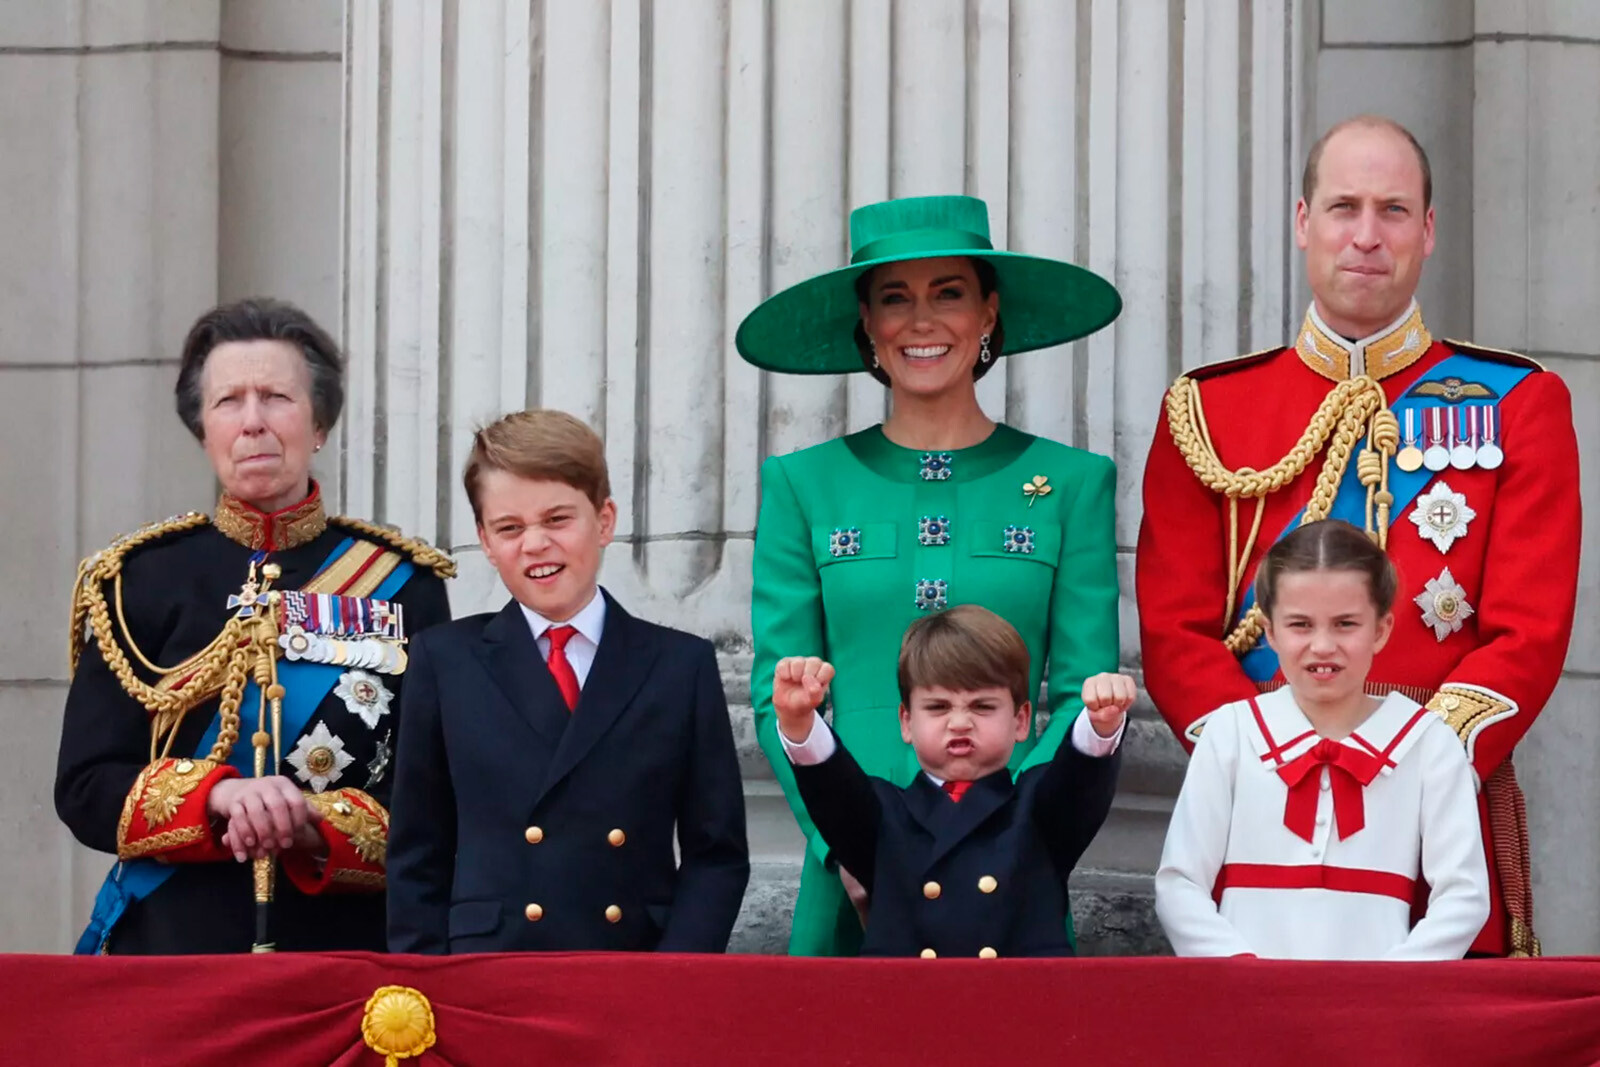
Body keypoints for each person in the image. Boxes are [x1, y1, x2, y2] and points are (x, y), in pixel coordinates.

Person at [1135, 115, 1580, 956]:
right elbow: (1173, 631)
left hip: (1435, 812)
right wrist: (1273, 763)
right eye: (1343, 208)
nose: (1366, 236)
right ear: (1303, 223)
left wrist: (1410, 768)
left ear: (1429, 230)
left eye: (1394, 210)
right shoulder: (1209, 410)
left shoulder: (1519, 401)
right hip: (1259, 817)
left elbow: (1529, 633)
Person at [738, 194, 1123, 956]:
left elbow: (1085, 689)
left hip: (1012, 870)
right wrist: (849, 844)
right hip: (851, 869)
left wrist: (1019, 834)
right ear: (867, 325)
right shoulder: (801, 483)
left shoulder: (1072, 482)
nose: (922, 321)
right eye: (894, 298)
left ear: (988, 312)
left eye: (948, 293)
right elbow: (775, 692)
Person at [57, 298, 455, 955]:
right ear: (202, 429)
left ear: (320, 422)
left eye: (276, 397)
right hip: (172, 945)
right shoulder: (138, 580)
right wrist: (220, 797)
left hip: (343, 954)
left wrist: (309, 825)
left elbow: (434, 797)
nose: (252, 423)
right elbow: (85, 786)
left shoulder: (404, 582)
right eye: (228, 402)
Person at [386, 410, 749, 954]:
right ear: (486, 541)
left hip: (631, 965)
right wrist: (429, 986)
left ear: (604, 520)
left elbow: (716, 854)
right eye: (510, 528)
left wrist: (676, 977)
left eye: (557, 519)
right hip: (487, 972)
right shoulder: (445, 660)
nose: (535, 543)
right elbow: (418, 851)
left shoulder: (679, 665)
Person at [1155, 520, 1489, 959]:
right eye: (1300, 625)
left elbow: (1464, 896)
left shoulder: (1429, 744)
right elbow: (1179, 882)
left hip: (1377, 1009)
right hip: (1245, 1002)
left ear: (1382, 629)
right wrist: (1237, 972)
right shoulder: (1231, 733)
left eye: (1346, 624)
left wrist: (1392, 984)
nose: (1322, 645)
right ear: (1270, 631)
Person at [769, 605, 1129, 958]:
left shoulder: (1037, 809)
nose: (959, 722)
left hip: (1019, 1008)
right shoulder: (884, 814)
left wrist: (1101, 721)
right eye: (938, 707)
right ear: (906, 722)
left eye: (982, 707)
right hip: (908, 1008)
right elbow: (832, 786)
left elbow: (1079, 779)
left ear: (1021, 721)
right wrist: (799, 721)